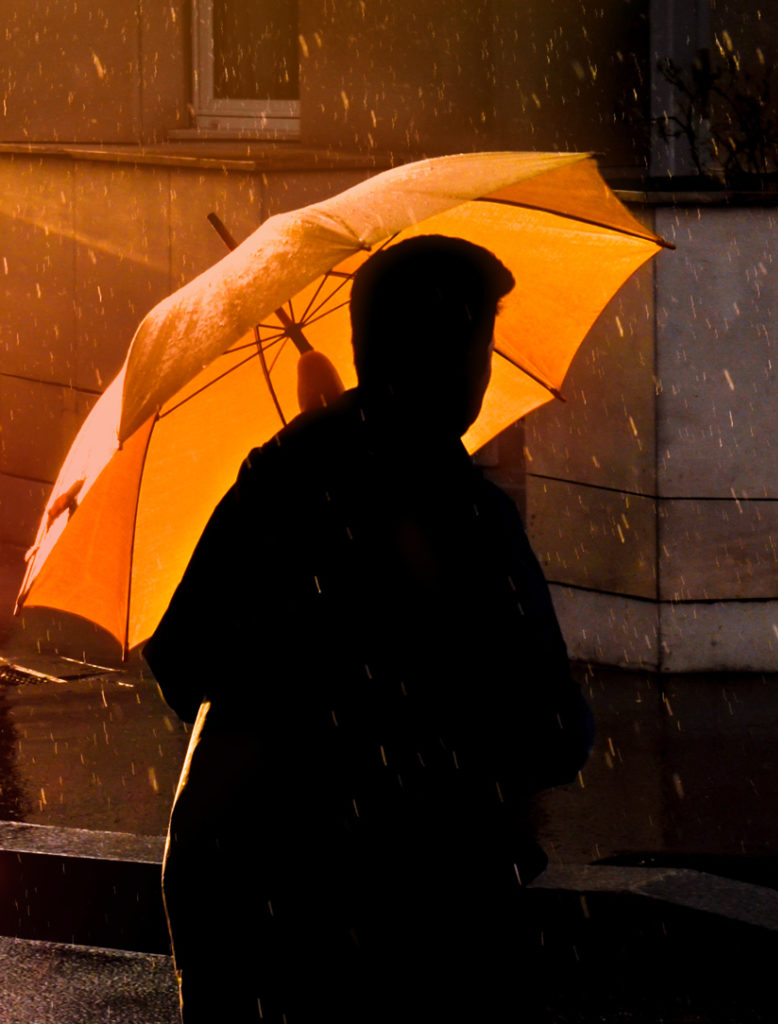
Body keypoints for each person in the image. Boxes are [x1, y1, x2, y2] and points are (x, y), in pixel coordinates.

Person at [144, 235, 594, 1023]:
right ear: (454, 356)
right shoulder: (466, 512)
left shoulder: (278, 477)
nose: (484, 367)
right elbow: (556, 730)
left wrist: (285, 730)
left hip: (242, 896)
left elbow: (180, 654)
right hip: (408, 918)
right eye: (478, 342)